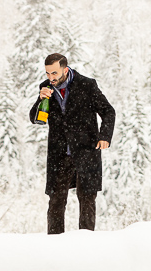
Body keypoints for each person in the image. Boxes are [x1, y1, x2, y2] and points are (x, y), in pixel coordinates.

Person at [29, 53, 116, 234]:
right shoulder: (46, 88)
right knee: (55, 201)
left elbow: (108, 111)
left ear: (65, 69)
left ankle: (85, 243)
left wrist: (104, 136)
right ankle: (54, 243)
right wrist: (41, 100)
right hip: (59, 154)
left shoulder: (87, 85)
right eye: (47, 73)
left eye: (54, 73)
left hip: (86, 151)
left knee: (87, 199)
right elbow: (37, 120)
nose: (51, 78)